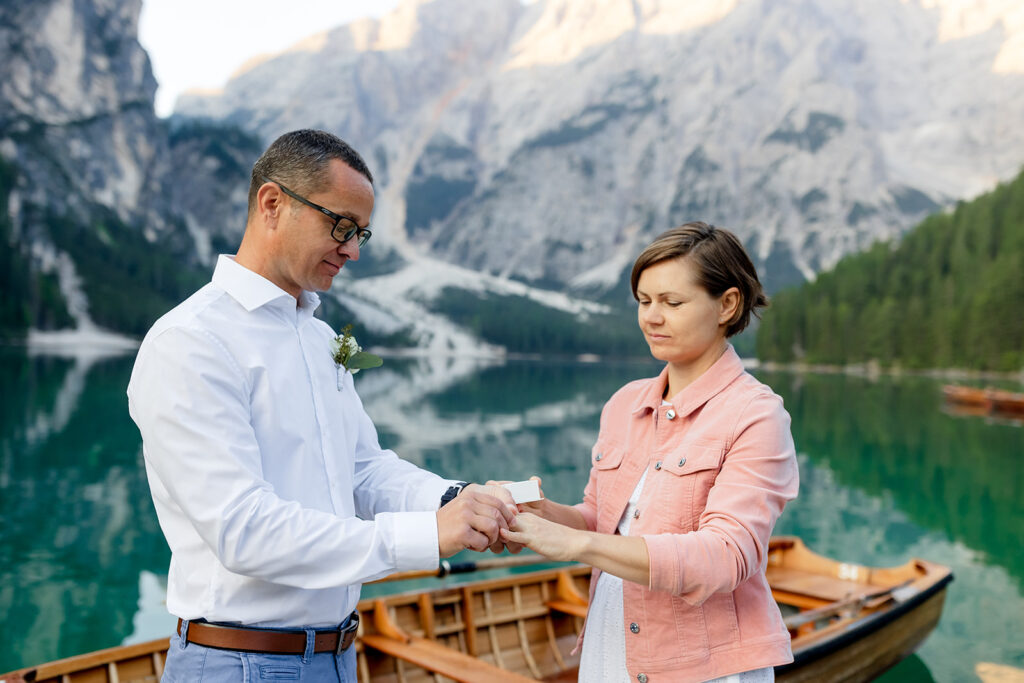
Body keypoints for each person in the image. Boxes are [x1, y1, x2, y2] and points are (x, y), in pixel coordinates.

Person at [127, 129, 516, 682]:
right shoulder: (191, 341)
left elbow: (363, 467)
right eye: (341, 226)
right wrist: (431, 536)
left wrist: (459, 500)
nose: (353, 250)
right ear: (272, 204)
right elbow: (245, 531)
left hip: (336, 659)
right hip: (240, 664)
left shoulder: (318, 337)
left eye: (361, 233)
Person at [502, 223, 799, 683]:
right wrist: (544, 513)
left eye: (672, 303)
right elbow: (599, 518)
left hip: (702, 665)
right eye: (644, 301)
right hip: (611, 639)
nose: (651, 317)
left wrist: (579, 545)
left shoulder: (757, 415)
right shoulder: (625, 403)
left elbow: (726, 557)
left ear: (728, 304)